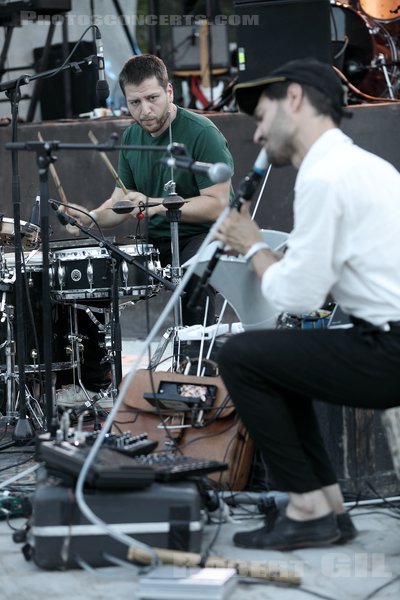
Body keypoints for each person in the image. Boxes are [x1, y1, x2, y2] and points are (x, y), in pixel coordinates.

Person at [215, 57, 400, 551]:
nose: (256, 136)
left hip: (391, 348)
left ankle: (307, 508)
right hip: (383, 338)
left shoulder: (324, 176)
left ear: (293, 99)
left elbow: (296, 297)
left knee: (238, 356)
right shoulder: (356, 165)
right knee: (279, 360)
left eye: (259, 118)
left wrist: (252, 245)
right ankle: (329, 508)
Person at [57, 54, 233, 407]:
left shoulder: (201, 132)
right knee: (82, 275)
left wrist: (152, 203)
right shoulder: (131, 137)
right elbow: (120, 203)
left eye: (152, 98)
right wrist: (87, 218)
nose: (144, 110)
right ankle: (95, 385)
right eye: (134, 102)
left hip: (200, 236)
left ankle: (196, 380)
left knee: (193, 278)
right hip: (153, 242)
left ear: (169, 91)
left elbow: (217, 202)